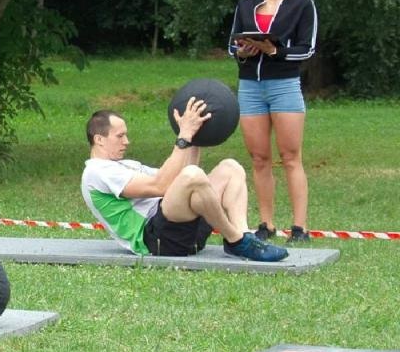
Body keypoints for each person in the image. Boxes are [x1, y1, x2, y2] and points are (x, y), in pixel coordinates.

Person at [81, 102, 288, 262]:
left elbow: (178, 181)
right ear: (99, 139)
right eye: (120, 136)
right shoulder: (96, 172)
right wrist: (184, 136)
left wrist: (195, 137)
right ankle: (237, 240)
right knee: (192, 175)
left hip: (182, 229)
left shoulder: (126, 164)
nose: (126, 141)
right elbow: (160, 187)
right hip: (157, 240)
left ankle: (242, 235)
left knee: (230, 168)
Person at [228, 0, 318, 243]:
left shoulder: (302, 5)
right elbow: (232, 46)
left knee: (290, 156)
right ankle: (265, 224)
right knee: (259, 158)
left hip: (284, 86)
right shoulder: (246, 3)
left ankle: (299, 227)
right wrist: (244, 51)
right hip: (250, 87)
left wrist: (274, 51)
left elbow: (307, 49)